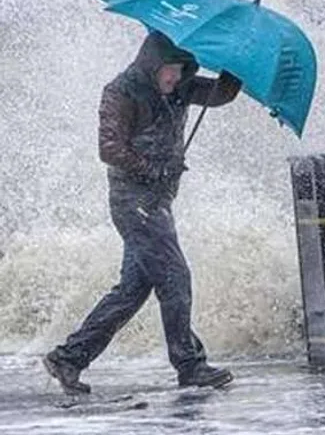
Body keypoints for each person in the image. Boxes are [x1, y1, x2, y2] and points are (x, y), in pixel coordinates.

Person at [43, 31, 242, 395]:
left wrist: (236, 65)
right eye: (170, 70)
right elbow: (109, 148)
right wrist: (153, 169)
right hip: (133, 202)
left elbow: (220, 94)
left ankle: (68, 358)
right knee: (175, 277)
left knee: (132, 290)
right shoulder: (121, 92)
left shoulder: (180, 86)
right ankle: (190, 365)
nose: (175, 78)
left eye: (182, 70)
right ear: (152, 64)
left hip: (158, 202)